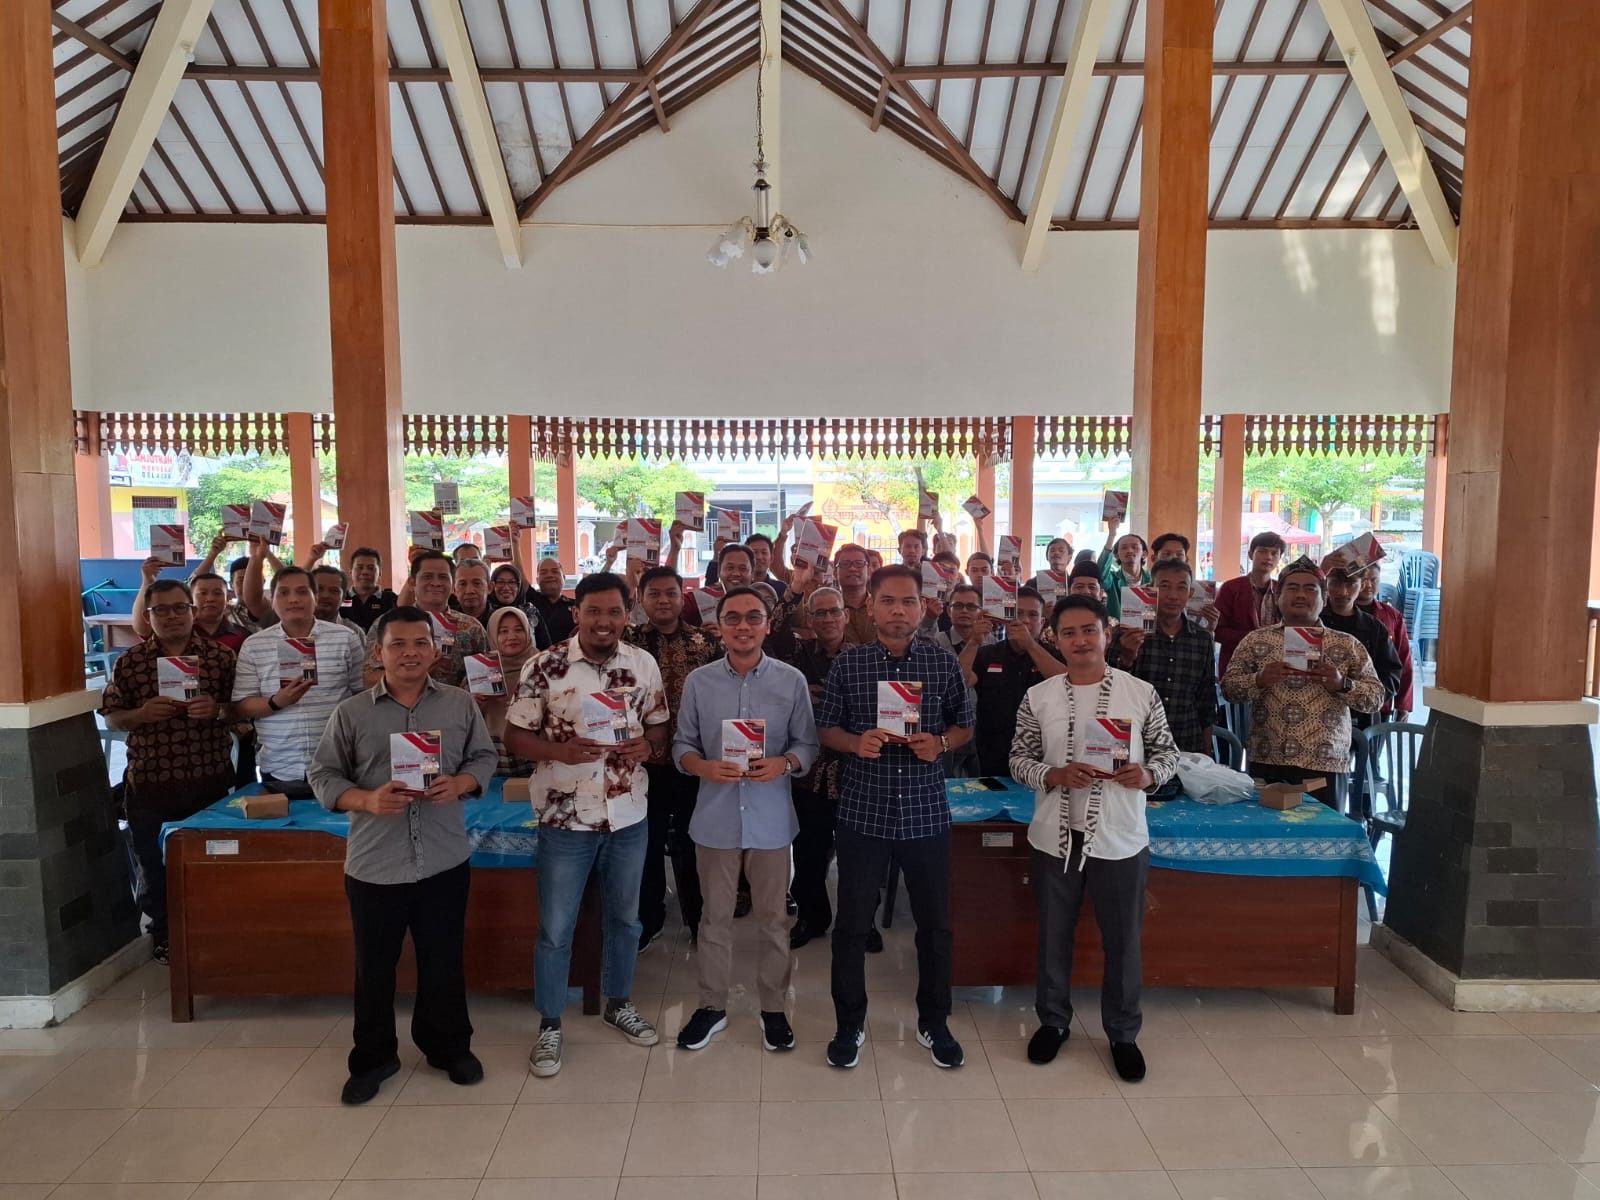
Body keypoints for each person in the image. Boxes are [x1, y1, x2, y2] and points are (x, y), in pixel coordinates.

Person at [308, 605, 498, 1105]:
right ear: (379, 652)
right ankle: (373, 1058)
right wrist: (367, 800)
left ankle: (448, 1047)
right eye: (398, 644)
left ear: (436, 650)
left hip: (442, 857)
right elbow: (323, 775)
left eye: (420, 643)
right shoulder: (351, 713)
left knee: (443, 961)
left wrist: (461, 782)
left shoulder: (459, 705)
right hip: (375, 864)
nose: (410, 653)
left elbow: (484, 756)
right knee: (374, 968)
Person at [504, 573, 669, 1078]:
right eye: (594, 611)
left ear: (628, 614)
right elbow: (515, 735)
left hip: (627, 814)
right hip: (564, 816)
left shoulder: (642, 664)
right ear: (577, 613)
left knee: (626, 919)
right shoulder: (545, 665)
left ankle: (619, 1003)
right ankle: (550, 1024)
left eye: (614, 612)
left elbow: (659, 722)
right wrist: (559, 751)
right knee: (557, 928)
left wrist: (651, 745)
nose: (604, 621)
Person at [1009, 594, 1180, 1082]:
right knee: (1053, 936)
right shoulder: (1038, 696)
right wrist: (1054, 774)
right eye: (1068, 633)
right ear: (1054, 639)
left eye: (1089, 630)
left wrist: (1147, 775)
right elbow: (1018, 759)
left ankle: (1123, 1033)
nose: (1080, 641)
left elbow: (1169, 754)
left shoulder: (1140, 693)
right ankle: (1053, 1022)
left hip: (1122, 836)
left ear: (1107, 632)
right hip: (1055, 838)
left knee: (1124, 940)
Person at [816, 565, 976, 1070]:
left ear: (923, 605)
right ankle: (849, 1023)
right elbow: (826, 729)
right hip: (863, 811)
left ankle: (935, 1021)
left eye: (908, 601)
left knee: (936, 925)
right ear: (870, 606)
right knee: (852, 926)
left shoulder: (941, 661)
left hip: (926, 812)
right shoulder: (850, 664)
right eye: (888, 601)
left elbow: (964, 725)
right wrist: (852, 742)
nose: (899, 610)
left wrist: (943, 742)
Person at [672, 587, 819, 1051]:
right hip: (714, 819)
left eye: (752, 617)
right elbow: (681, 746)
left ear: (767, 624)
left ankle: (773, 1009)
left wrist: (786, 764)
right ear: (719, 626)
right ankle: (712, 1006)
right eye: (732, 618)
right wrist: (701, 766)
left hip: (772, 819)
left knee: (774, 921)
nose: (742, 626)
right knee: (713, 919)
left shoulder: (791, 680)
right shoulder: (699, 682)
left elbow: (807, 746)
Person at [101, 579, 237, 964]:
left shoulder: (219, 658)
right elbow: (111, 719)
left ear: (193, 612)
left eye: (180, 608)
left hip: (209, 782)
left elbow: (241, 709)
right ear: (148, 616)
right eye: (161, 610)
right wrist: (140, 715)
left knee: (213, 861)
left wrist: (218, 710)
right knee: (154, 866)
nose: (172, 616)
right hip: (150, 783)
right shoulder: (131, 662)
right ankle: (164, 935)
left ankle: (214, 932)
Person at [1221, 557, 1384, 811]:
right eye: (1292, 588)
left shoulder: (1346, 644)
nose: (1300, 595)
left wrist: (1343, 684)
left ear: (1324, 599)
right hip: (1267, 759)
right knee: (1265, 839)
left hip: (1325, 763)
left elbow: (1376, 697)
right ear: (1278, 597)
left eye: (1310, 589)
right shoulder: (1255, 641)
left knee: (1321, 842)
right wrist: (1259, 680)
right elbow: (1229, 689)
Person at [625, 565, 721, 948]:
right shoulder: (627, 644)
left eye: (671, 593)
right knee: (644, 844)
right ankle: (649, 917)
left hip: (692, 760)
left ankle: (700, 920)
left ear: (684, 598)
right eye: (654, 594)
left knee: (694, 840)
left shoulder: (705, 643)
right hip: (641, 761)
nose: (663, 600)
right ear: (641, 599)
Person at [233, 565, 366, 796]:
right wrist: (276, 702)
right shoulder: (255, 645)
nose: (293, 599)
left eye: (302, 591)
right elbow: (242, 705)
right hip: (279, 767)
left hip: (339, 766)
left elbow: (360, 695)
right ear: (272, 600)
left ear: (315, 598)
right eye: (284, 593)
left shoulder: (345, 638)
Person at [789, 587, 853, 949]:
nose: (828, 619)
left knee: (856, 854)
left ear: (846, 615)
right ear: (810, 620)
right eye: (820, 613)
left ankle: (860, 921)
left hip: (853, 771)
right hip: (809, 772)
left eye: (834, 612)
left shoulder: (864, 658)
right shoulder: (795, 660)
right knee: (808, 851)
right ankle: (812, 916)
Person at [1106, 559, 1218, 756]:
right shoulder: (1126, 632)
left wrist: (1206, 757)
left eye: (1181, 588)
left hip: (1186, 744)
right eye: (1164, 586)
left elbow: (1206, 702)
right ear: (1151, 589)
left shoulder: (1202, 639)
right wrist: (1127, 658)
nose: (1173, 595)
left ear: (1190, 594)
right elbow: (1109, 691)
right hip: (1138, 743)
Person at [968, 586, 1066, 776]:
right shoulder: (987, 654)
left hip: (1042, 756)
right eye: (1018, 613)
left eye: (1032, 615)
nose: (1025, 620)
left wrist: (1029, 644)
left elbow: (1066, 684)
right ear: (1007, 618)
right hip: (993, 752)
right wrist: (973, 641)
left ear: (1043, 622)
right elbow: (961, 683)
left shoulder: (1055, 654)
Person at [366, 552, 488, 689]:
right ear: (412, 582)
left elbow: (484, 682)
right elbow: (368, 679)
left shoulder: (472, 628)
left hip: (453, 708)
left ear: (453, 584)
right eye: (427, 576)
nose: (436, 583)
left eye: (443, 577)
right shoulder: (388, 624)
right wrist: (416, 672)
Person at [1318, 556, 1404, 732]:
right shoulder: (1312, 622)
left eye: (1350, 584)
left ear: (1362, 585)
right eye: (1335, 584)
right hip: (1317, 715)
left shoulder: (1374, 628)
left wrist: (1359, 693)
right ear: (1326, 583)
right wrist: (1321, 569)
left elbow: (1391, 675)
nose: (1342, 592)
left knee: (1366, 759)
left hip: (1362, 718)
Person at [131, 559, 248, 650]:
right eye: (202, 593)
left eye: (217, 593)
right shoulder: (175, 630)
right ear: (191, 598)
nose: (210, 599)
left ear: (228, 597)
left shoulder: (242, 636)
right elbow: (142, 629)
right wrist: (147, 582)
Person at [1215, 531, 1285, 674]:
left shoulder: (1283, 590)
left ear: (1280, 558)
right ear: (1250, 554)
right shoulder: (1231, 588)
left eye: (1274, 553)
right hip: (1237, 664)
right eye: (1262, 551)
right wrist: (1256, 639)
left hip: (1275, 667)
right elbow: (1219, 631)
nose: (1268, 557)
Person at [482, 607, 539, 777]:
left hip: (536, 751)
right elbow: (466, 720)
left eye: (519, 629)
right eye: (503, 631)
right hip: (495, 756)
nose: (511, 637)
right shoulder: (481, 670)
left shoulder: (544, 666)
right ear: (492, 635)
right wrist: (477, 701)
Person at [1357, 568, 1414, 721]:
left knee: (1375, 744)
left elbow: (1404, 661)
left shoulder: (1393, 616)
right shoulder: (1336, 613)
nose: (1368, 585)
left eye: (1373, 580)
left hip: (1381, 701)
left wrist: (1403, 704)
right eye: (1363, 580)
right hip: (1344, 697)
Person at [683, 542, 756, 628]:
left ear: (752, 574)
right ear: (718, 571)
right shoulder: (698, 599)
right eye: (730, 568)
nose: (736, 573)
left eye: (743, 569)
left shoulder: (762, 602)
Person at [488, 563, 554, 649]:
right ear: (493, 585)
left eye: (512, 582)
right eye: (500, 582)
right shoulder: (486, 612)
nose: (506, 587)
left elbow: (546, 648)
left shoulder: (531, 612)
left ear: (519, 586)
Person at [1097, 524, 1151, 622]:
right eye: (1124, 548)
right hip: (1119, 633)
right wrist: (1112, 535)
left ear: (1144, 554)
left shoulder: (1153, 579)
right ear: (1117, 555)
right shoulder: (1112, 579)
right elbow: (1100, 572)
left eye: (1135, 547)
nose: (1129, 551)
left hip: (1149, 632)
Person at [343, 547, 398, 632]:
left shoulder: (391, 599)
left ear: (380, 573)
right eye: (360, 567)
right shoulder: (341, 598)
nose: (365, 572)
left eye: (371, 568)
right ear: (350, 572)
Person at [530, 557, 577, 645]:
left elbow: (595, 595)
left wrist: (608, 563)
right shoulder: (530, 604)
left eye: (555, 571)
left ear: (563, 578)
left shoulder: (576, 606)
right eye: (543, 572)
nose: (549, 575)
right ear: (537, 580)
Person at [311, 565, 367, 637]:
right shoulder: (294, 628)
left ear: (343, 597)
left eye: (334, 591)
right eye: (319, 589)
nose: (325, 595)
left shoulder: (354, 632)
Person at [745, 533, 789, 598]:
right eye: (754, 552)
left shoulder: (781, 588)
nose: (759, 557)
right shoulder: (739, 587)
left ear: (771, 558)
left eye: (764, 552)